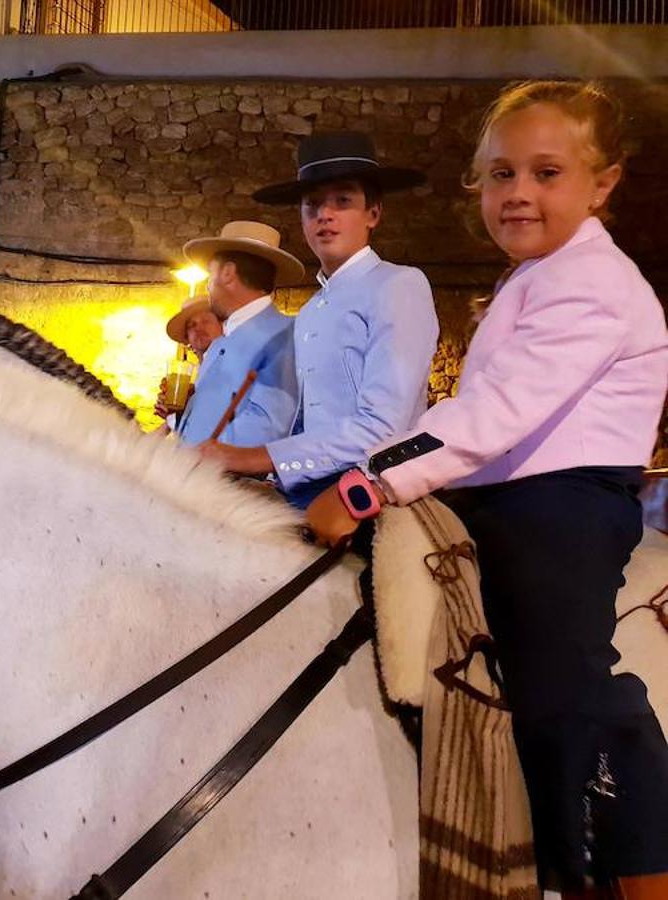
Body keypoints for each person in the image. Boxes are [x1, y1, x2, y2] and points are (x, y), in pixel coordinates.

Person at [307, 81, 668, 896]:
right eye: (501, 175)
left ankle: (631, 874)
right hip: (499, 495)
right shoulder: (533, 279)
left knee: (565, 687)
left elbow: (493, 415)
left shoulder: (593, 284)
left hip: (564, 507)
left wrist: (368, 485)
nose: (518, 195)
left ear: (602, 182)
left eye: (547, 174)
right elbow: (462, 413)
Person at [199, 131, 439, 508]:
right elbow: (305, 418)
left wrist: (255, 457)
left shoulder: (398, 285)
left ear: (373, 213)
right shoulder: (311, 311)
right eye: (312, 205)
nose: (325, 215)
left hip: (375, 491)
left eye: (342, 201)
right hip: (304, 488)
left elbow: (383, 428)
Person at [172, 221, 303, 448]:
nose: (208, 288)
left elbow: (268, 428)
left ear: (228, 273)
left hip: (218, 481)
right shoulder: (220, 344)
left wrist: (197, 458)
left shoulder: (286, 336)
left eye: (210, 276)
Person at [154, 297, 224, 427]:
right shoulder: (197, 375)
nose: (198, 328)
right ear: (187, 339)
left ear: (222, 326)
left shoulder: (231, 366)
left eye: (206, 321)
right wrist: (175, 412)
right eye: (192, 325)